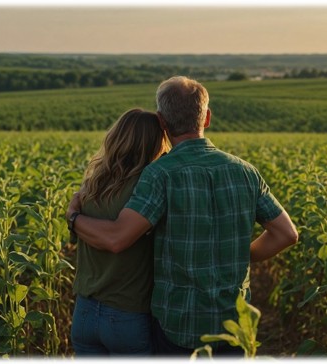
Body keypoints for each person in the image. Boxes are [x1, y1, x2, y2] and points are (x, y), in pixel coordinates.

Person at [66, 76, 298, 356]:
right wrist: (237, 254)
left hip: (178, 324)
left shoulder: (160, 173)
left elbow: (118, 237)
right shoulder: (246, 172)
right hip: (234, 324)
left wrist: (74, 219)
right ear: (207, 118)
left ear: (162, 123)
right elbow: (286, 234)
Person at [68, 108, 169, 356]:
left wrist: (72, 216)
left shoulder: (92, 185)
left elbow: (78, 235)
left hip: (84, 312)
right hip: (127, 313)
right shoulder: (146, 188)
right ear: (156, 143)